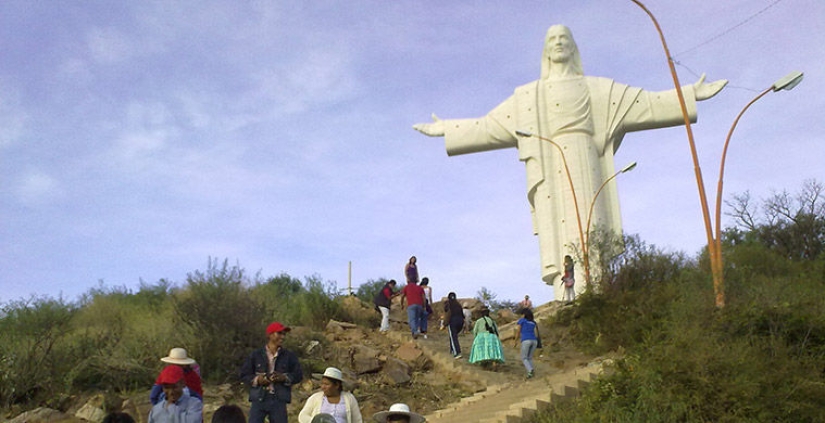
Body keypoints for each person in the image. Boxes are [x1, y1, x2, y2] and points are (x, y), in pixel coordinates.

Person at [413, 25, 727, 301]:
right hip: (551, 163)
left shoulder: (598, 87)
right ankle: (566, 296)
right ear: (546, 50)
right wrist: (450, 128)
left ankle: (597, 294)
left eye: (565, 37)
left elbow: (644, 103)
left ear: (573, 47)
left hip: (587, 159)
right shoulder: (529, 96)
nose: (559, 42)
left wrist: (688, 95)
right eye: (553, 39)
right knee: (560, 235)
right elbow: (492, 125)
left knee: (592, 226)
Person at [240, 322, 304, 423]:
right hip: (259, 399)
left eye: (284, 334)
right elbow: (244, 375)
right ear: (270, 335)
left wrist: (284, 377)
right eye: (279, 333)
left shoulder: (289, 356)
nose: (282, 337)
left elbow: (298, 375)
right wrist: (258, 380)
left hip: (279, 400)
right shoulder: (256, 355)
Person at [298, 367, 363, 423]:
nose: (323, 387)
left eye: (326, 384)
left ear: (337, 385)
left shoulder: (349, 399)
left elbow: (357, 420)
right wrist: (318, 421)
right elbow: (302, 416)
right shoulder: (315, 398)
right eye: (322, 384)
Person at [513, 309, 539, 379]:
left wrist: (516, 341)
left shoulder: (522, 320)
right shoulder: (533, 322)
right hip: (534, 341)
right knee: (529, 357)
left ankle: (530, 370)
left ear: (524, 314)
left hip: (526, 340)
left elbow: (518, 331)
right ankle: (531, 372)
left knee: (524, 358)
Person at [443, 293, 464, 358]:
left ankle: (457, 353)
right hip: (460, 321)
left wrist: (444, 323)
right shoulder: (458, 305)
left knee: (453, 336)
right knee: (453, 335)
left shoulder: (448, 304)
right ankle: (452, 349)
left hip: (453, 321)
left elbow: (447, 314)